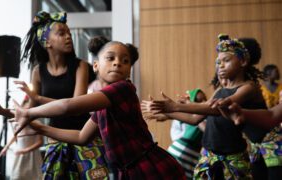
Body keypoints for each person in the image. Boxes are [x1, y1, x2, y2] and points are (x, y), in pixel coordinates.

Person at [11, 36, 186, 179]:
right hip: (129, 171)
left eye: (125, 61)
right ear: (95, 65)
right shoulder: (103, 103)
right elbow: (81, 136)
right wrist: (40, 127)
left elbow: (67, 106)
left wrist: (28, 112)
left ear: (129, 71)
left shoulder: (122, 89)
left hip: (149, 168)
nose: (117, 63)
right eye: (110, 58)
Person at [0, 11, 108, 179]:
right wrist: (2, 111)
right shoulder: (38, 72)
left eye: (69, 33)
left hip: (84, 137)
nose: (68, 37)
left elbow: (76, 106)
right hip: (55, 139)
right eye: (61, 33)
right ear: (47, 42)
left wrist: (39, 99)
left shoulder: (81, 67)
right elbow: (28, 111)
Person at [142, 34, 268, 179]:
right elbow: (195, 119)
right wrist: (167, 112)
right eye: (217, 62)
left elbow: (216, 108)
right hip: (209, 157)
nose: (220, 65)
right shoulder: (219, 91)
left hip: (234, 159)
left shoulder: (248, 88)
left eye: (226, 60)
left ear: (243, 61)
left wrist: (174, 107)